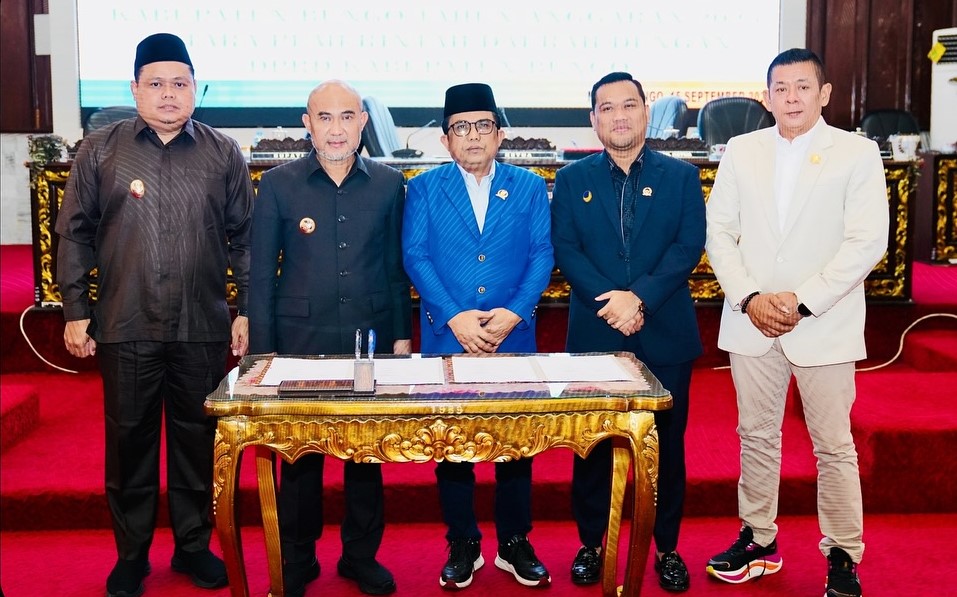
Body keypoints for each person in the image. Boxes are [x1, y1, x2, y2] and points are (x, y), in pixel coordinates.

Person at [55, 33, 253, 597]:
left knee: (198, 442)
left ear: (195, 88)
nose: (169, 94)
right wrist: (75, 309)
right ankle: (132, 555)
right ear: (135, 89)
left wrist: (246, 309)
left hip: (201, 326)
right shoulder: (101, 150)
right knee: (129, 444)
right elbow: (74, 235)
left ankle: (193, 547)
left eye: (179, 83)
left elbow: (245, 240)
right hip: (126, 323)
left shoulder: (222, 153)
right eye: (156, 83)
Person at [704, 48, 888, 597]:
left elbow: (867, 242)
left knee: (833, 445)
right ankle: (758, 539)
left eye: (803, 87)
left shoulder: (856, 152)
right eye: (780, 88)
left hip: (824, 323)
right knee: (756, 437)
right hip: (752, 321)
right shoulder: (742, 150)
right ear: (767, 97)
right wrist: (750, 298)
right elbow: (720, 232)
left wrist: (802, 302)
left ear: (824, 94)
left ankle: (842, 554)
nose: (791, 98)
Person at [247, 79, 410, 597]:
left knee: (366, 456)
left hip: (369, 341)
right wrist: (262, 353)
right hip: (299, 341)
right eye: (324, 117)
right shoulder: (277, 185)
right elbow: (260, 276)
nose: (336, 128)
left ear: (362, 122)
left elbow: (395, 269)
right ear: (307, 125)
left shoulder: (389, 184)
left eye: (346, 117)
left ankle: (360, 555)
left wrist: (401, 337)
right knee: (299, 459)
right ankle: (298, 558)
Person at [550, 72, 705, 592]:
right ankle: (591, 544)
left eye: (629, 105)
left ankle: (667, 548)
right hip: (596, 334)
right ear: (593, 119)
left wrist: (638, 298)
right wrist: (613, 302)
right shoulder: (571, 180)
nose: (619, 116)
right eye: (607, 107)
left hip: (664, 329)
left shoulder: (681, 177)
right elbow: (566, 249)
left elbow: (687, 247)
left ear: (646, 112)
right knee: (593, 446)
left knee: (667, 448)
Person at [402, 83, 554, 589]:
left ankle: (514, 541)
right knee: (452, 444)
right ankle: (463, 541)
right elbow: (416, 256)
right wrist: (455, 317)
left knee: (516, 442)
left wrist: (514, 312)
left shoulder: (529, 186)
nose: (473, 136)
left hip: (512, 335)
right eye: (461, 127)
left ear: (499, 134)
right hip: (450, 336)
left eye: (483, 125)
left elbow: (541, 254)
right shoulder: (424, 188)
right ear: (445, 139)